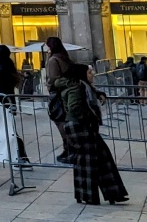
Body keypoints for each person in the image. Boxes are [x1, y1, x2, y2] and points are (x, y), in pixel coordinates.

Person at [53, 63, 128, 205]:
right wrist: (89, 118)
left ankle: (113, 193)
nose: (92, 74)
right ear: (82, 75)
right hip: (80, 126)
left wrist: (99, 94)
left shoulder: (83, 86)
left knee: (101, 157)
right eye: (89, 72)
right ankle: (89, 195)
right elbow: (75, 108)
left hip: (83, 126)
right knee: (86, 161)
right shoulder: (76, 87)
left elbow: (88, 95)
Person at [45, 36, 74, 164]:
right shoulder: (64, 57)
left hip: (57, 95)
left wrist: (48, 85)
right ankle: (68, 149)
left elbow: (53, 79)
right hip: (67, 94)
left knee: (60, 122)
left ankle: (70, 150)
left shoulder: (53, 60)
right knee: (66, 122)